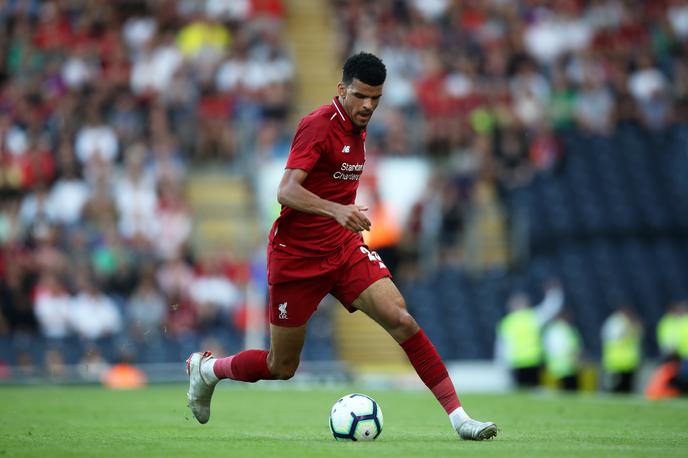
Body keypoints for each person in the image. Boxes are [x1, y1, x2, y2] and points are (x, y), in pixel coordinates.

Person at [186, 52, 497, 440]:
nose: (368, 105)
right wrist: (336, 210)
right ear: (342, 90)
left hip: (343, 249)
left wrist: (339, 219)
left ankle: (460, 419)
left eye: (376, 98)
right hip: (296, 257)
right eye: (361, 96)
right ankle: (209, 370)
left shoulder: (359, 125)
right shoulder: (317, 125)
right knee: (281, 365)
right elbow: (286, 190)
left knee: (401, 319)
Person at [495, 281, 564, 388]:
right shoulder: (532, 317)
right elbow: (551, 308)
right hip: (533, 361)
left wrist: (502, 363)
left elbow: (502, 346)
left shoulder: (507, 322)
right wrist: (554, 292)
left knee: (520, 392)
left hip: (517, 363)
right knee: (533, 391)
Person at [601, 306, 643, 393]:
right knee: (615, 389)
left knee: (627, 389)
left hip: (629, 363)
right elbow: (616, 338)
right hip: (615, 363)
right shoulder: (615, 322)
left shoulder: (631, 323)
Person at [542, 309, 583, 391]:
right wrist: (577, 361)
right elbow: (573, 348)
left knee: (558, 392)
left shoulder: (550, 330)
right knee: (571, 392)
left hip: (554, 367)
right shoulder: (567, 330)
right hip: (568, 366)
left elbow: (546, 348)